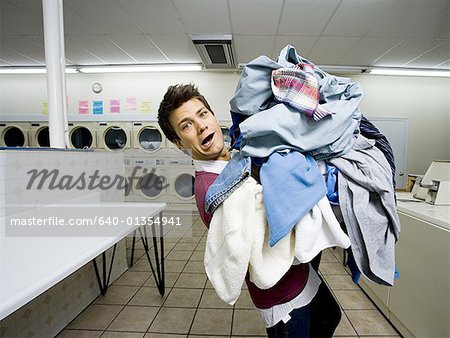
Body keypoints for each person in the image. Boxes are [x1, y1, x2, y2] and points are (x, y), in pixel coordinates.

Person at [158, 83, 341, 338]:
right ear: (179, 143)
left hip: (301, 274)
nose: (200, 126)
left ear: (212, 116)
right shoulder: (211, 190)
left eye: (202, 114)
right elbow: (268, 236)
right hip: (282, 293)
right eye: (186, 125)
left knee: (331, 316)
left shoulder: (236, 156)